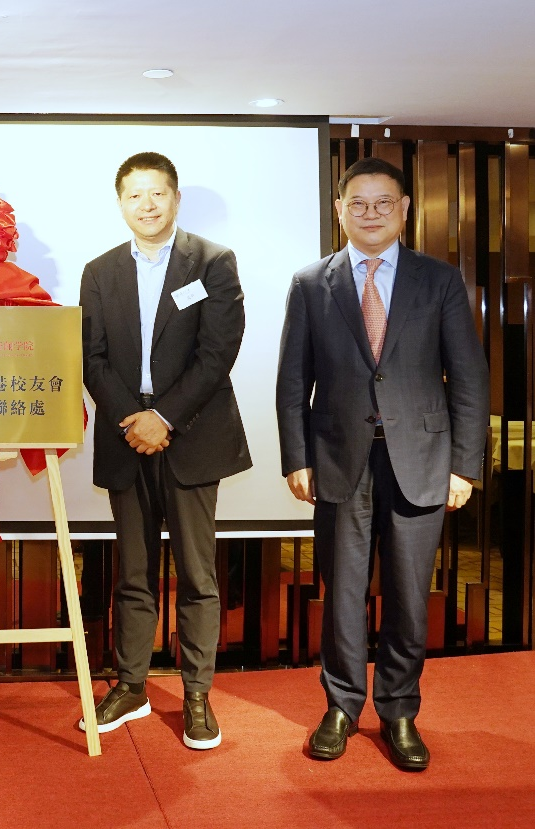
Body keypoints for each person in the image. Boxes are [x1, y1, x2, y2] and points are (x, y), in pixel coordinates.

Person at [276, 156, 487, 771]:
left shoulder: (439, 280)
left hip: (421, 458)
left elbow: (469, 377)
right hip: (338, 458)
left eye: (383, 203)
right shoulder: (310, 283)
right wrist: (296, 456)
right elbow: (294, 379)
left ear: (404, 209)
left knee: (408, 594)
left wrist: (465, 465)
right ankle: (341, 706)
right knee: (342, 591)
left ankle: (399, 709)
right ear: (339, 210)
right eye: (358, 204)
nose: (370, 214)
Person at [79, 151, 250, 750]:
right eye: (135, 195)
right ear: (120, 203)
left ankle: (197, 694)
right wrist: (135, 419)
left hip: (192, 435)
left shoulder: (213, 262)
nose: (147, 205)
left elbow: (218, 351)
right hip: (127, 435)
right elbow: (91, 357)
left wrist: (165, 417)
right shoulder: (99, 271)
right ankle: (132, 686)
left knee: (198, 575)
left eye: (157, 193)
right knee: (133, 573)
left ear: (176, 199)